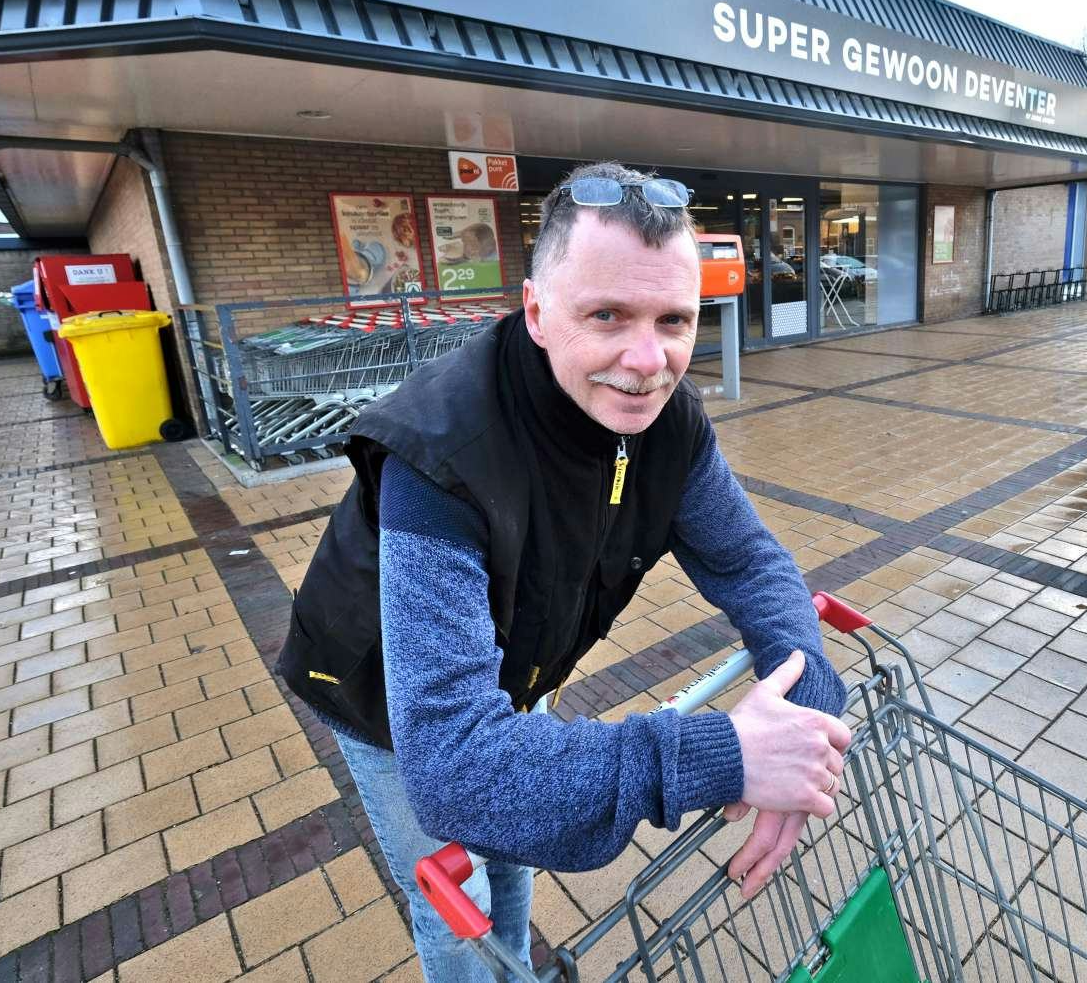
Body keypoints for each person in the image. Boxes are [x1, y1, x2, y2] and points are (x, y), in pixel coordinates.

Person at [278, 161, 851, 982]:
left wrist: (805, 718)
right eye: (607, 315)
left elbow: (750, 562)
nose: (648, 361)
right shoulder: (441, 454)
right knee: (456, 901)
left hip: (515, 670)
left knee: (515, 855)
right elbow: (455, 770)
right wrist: (727, 755)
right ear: (538, 312)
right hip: (380, 694)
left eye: (674, 320)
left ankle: (515, 967)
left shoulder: (669, 424)